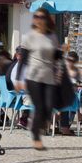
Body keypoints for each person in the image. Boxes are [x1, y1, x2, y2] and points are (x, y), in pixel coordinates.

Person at [23, 8, 59, 150]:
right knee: (39, 106)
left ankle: (37, 124)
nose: (38, 19)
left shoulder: (53, 37)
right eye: (36, 16)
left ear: (46, 19)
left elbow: (56, 58)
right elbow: (24, 60)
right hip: (33, 77)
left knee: (49, 106)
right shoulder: (29, 36)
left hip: (49, 76)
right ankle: (36, 136)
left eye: (41, 17)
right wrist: (20, 79)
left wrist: (62, 51)